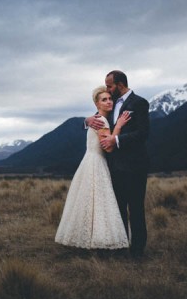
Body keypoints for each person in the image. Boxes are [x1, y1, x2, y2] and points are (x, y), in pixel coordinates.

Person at [55, 86, 131, 250]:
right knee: (99, 202)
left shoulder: (96, 119)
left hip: (88, 161)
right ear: (97, 104)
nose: (109, 101)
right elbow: (108, 147)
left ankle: (87, 239)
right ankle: (100, 240)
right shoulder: (102, 121)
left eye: (110, 98)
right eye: (104, 99)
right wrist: (119, 126)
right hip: (97, 162)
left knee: (89, 202)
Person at [86, 70, 150, 258]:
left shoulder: (139, 103)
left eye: (109, 86)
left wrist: (117, 141)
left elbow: (142, 133)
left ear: (120, 85)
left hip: (135, 165)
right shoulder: (111, 104)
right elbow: (99, 119)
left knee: (136, 208)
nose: (107, 89)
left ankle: (138, 251)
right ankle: (120, 246)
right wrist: (87, 120)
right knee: (118, 208)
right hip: (114, 166)